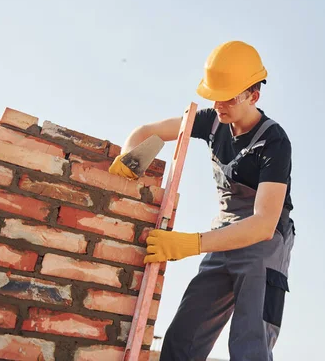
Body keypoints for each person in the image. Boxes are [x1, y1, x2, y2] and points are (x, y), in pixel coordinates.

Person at [109, 40, 295, 361]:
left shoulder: (274, 141)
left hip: (263, 247)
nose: (220, 104)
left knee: (249, 345)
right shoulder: (211, 121)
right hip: (222, 238)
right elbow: (145, 131)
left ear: (254, 96)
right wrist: (131, 157)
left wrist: (191, 244)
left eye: (229, 97)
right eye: (215, 95)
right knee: (182, 340)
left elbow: (264, 224)